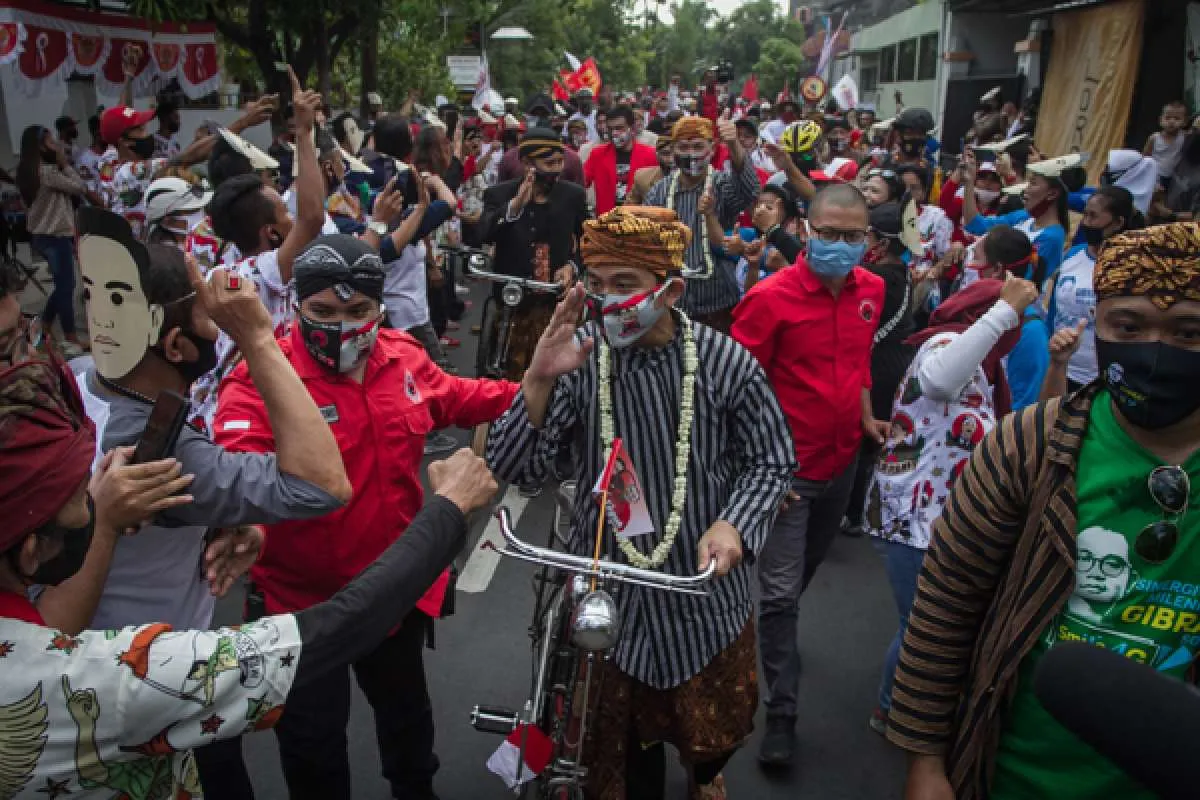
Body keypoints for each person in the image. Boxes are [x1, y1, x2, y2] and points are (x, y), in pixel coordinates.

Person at [0, 317, 497, 798]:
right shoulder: (123, 676)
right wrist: (447, 511)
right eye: (86, 494)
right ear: (32, 551)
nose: (104, 479)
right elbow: (338, 627)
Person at [487, 206, 795, 800]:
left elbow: (772, 460)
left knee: (714, 728)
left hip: (704, 589)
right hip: (608, 589)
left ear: (672, 290)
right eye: (596, 284)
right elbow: (517, 467)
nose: (607, 301)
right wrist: (538, 380)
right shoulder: (579, 362)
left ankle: (706, 776)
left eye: (625, 285)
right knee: (615, 752)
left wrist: (735, 523)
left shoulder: (725, 361)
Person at [890, 222, 1200, 800]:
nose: (1158, 350)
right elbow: (945, 608)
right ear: (1097, 326)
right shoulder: (1026, 446)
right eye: (1128, 327)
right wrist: (926, 762)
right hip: (1008, 769)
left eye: (1188, 332)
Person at [214, 234, 519, 800]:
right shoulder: (263, 376)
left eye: (357, 312)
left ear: (380, 308)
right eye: (323, 312)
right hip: (301, 610)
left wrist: (538, 383)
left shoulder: (403, 357)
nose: (340, 325)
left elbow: (462, 396)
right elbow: (240, 470)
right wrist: (246, 528)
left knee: (408, 728)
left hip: (392, 596)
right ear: (296, 307)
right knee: (314, 752)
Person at [730, 184, 887, 765]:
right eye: (830, 234)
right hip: (785, 478)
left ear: (867, 239)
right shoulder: (769, 299)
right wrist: (762, 472)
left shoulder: (872, 289)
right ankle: (781, 712)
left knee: (803, 573)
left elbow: (861, 359)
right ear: (806, 229)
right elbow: (737, 392)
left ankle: (772, 643)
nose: (841, 246)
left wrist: (867, 416)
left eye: (853, 236)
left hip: (842, 465)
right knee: (777, 596)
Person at [868, 275, 1036, 737]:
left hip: (945, 515)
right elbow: (939, 382)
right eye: (1012, 323)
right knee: (921, 625)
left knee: (928, 623)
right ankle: (892, 711)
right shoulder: (946, 343)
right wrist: (1003, 311)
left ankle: (906, 707)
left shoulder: (981, 362)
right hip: (915, 516)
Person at [192, 73, 327, 429]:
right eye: (286, 215)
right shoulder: (262, 271)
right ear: (271, 233)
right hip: (256, 416)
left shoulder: (218, 273)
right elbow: (313, 215)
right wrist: (305, 132)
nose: (293, 218)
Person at [480, 129, 586, 384]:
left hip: (556, 304)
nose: (557, 170)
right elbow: (482, 234)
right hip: (512, 305)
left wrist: (572, 267)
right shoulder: (499, 195)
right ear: (527, 163)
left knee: (558, 379)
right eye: (549, 164)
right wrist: (515, 206)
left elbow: (589, 241)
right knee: (505, 377)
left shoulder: (572, 195)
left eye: (560, 162)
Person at [842, 202, 916, 539]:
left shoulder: (878, 278)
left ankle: (853, 512)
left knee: (862, 439)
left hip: (876, 367)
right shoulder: (900, 273)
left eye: (863, 235)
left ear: (881, 244)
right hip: (893, 363)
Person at [646, 116, 758, 332]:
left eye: (698, 146)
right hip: (673, 302)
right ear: (673, 150)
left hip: (719, 300)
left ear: (713, 148)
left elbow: (749, 191)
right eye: (683, 147)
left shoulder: (722, 184)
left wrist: (734, 144)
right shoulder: (659, 191)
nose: (691, 155)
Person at [1042, 187, 1138, 396]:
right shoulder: (1074, 254)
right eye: (1085, 214)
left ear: (1118, 223)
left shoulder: (1131, 267)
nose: (1086, 222)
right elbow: (1053, 312)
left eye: (1093, 216)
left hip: (1098, 378)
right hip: (1059, 367)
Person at [15, 125, 94, 356]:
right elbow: (80, 187)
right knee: (66, 287)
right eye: (51, 142)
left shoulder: (28, 172)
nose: (57, 146)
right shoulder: (48, 172)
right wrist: (65, 164)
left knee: (63, 286)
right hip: (55, 236)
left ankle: (45, 324)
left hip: (42, 236)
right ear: (40, 146)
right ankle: (70, 335)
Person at [961, 149, 1076, 291]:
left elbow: (1025, 285)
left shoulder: (1051, 238)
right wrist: (969, 181)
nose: (1025, 190)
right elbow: (975, 224)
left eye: (1033, 184)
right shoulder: (1023, 217)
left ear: (1052, 194)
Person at [976, 227, 1050, 412]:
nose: (972, 268)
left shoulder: (1031, 331)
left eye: (977, 260)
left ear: (997, 269)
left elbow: (1022, 403)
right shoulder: (987, 308)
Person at [585, 105, 659, 213]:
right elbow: (581, 181)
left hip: (639, 223)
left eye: (619, 128)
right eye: (610, 129)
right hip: (606, 223)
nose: (614, 133)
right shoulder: (598, 154)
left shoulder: (650, 155)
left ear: (632, 128)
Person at [898, 164, 954, 269]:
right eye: (902, 187)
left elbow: (945, 257)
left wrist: (931, 272)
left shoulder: (937, 216)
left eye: (914, 188)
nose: (907, 193)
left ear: (924, 191)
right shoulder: (884, 215)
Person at [143, 176, 212, 248]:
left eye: (200, 207)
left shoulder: (204, 240)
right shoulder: (168, 256)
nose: (202, 213)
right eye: (193, 210)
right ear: (167, 222)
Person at [1143, 101, 1188, 189]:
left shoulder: (1184, 137)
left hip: (1175, 176)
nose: (1171, 121)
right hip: (1156, 175)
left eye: (1177, 118)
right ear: (1161, 120)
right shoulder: (1154, 138)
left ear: (1184, 122)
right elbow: (1145, 157)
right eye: (1167, 118)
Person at [630, 133, 673, 205]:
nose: (671, 159)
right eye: (666, 154)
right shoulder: (642, 178)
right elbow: (629, 207)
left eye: (675, 154)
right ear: (657, 155)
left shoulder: (695, 178)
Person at [152, 96, 183, 160]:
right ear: (165, 118)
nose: (179, 122)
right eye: (176, 118)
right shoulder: (152, 143)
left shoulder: (176, 143)